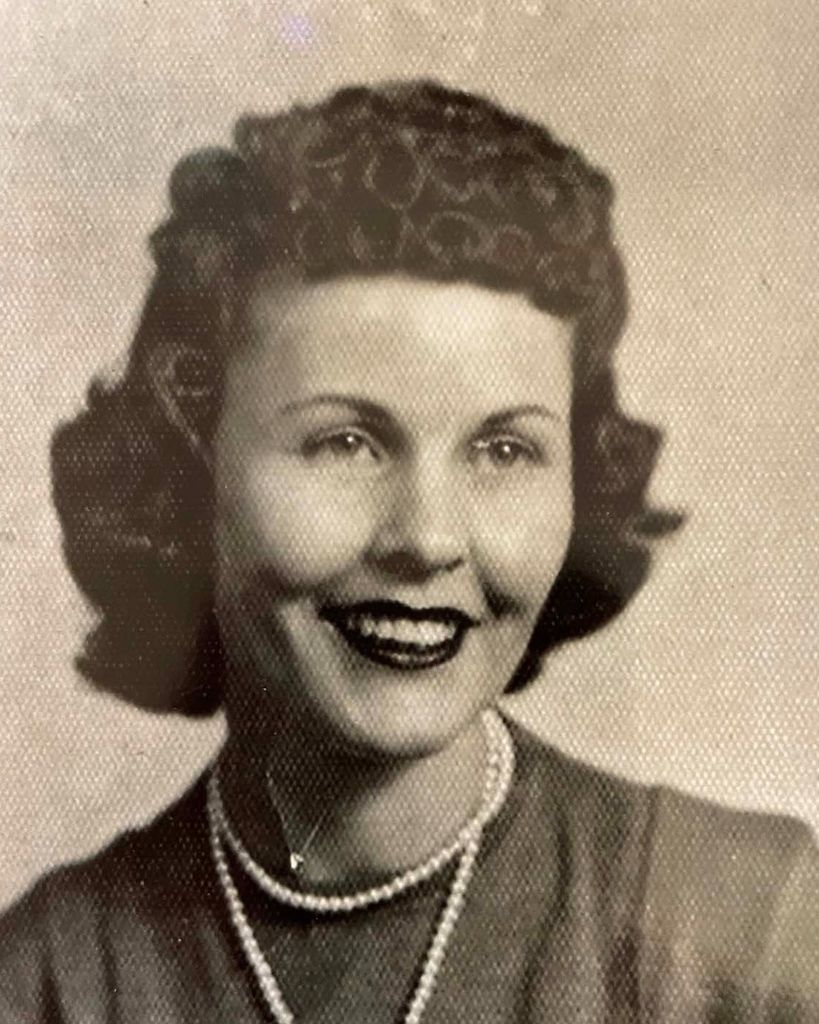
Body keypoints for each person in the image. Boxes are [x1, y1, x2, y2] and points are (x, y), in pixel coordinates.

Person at [1, 79, 816, 1024]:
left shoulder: (751, 936)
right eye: (346, 443)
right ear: (193, 462)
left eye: (503, 449)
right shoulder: (48, 984)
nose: (427, 539)